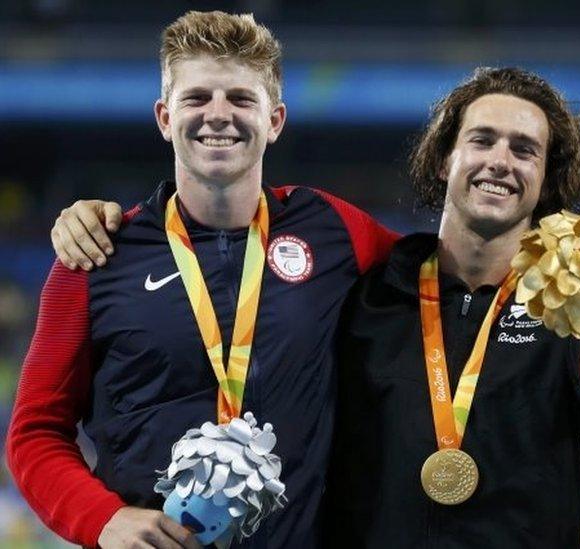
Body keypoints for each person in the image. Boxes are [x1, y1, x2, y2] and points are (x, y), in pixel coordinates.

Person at [6, 11, 396, 549]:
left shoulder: (336, 231)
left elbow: (445, 274)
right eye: (196, 99)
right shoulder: (97, 255)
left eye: (240, 98)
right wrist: (102, 519)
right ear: (165, 117)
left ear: (275, 119)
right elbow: (35, 433)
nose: (218, 115)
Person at [321, 66, 580, 547]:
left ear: (544, 182)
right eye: (482, 141)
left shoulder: (570, 311)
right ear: (445, 160)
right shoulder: (367, 299)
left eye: (524, 150)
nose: (501, 161)